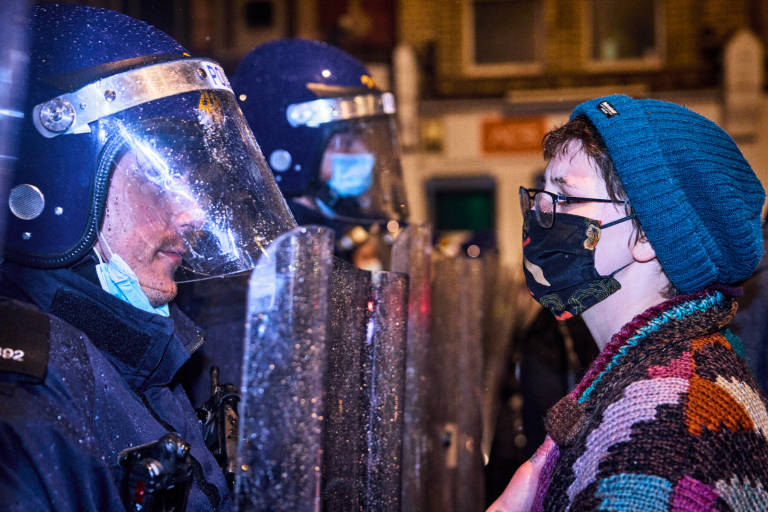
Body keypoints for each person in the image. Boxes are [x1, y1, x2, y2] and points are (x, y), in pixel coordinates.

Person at [0, 4, 294, 510]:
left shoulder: (138, 353)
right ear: (58, 183)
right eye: (158, 175)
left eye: (188, 178)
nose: (193, 213)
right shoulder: (24, 406)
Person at [488, 95, 768, 511]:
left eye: (567, 197)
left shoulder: (667, 441)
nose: (541, 210)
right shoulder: (665, 367)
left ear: (648, 235)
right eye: (542, 192)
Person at [230, 38, 408, 263]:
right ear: (288, 149)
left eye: (364, 139)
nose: (367, 155)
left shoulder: (343, 229)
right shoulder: (262, 260)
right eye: (345, 143)